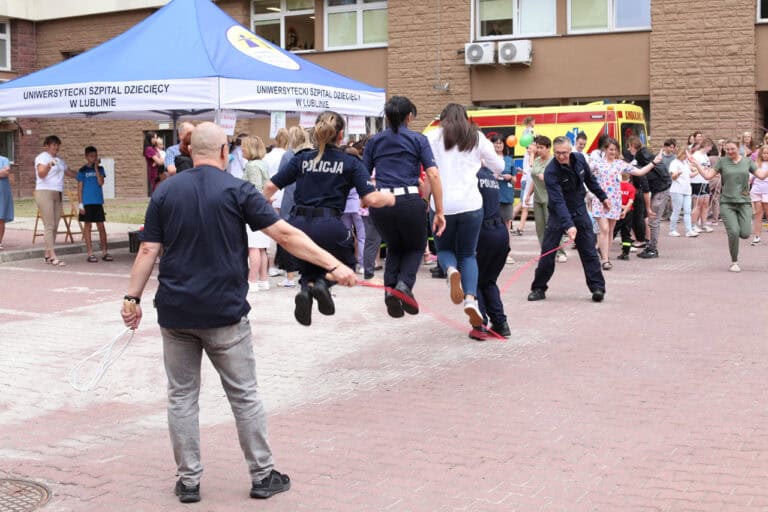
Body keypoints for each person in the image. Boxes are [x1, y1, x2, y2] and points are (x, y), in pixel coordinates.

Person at [121, 122, 359, 504]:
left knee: (181, 397)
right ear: (222, 152)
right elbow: (285, 235)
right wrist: (334, 265)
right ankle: (263, 476)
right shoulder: (237, 189)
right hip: (225, 313)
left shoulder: (165, 191)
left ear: (189, 149)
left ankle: (189, 482)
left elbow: (148, 250)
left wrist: (131, 298)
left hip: (176, 313)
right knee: (244, 396)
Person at [264, 111, 395, 325]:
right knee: (346, 265)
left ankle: (306, 290)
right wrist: (390, 199)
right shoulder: (349, 162)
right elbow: (371, 197)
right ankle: (324, 285)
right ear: (341, 135)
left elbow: (271, 186)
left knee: (309, 266)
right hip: (328, 225)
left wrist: (261, 209)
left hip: (298, 225)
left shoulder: (302, 158)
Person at [363, 96, 444, 317]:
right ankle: (404, 286)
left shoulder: (374, 141)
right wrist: (439, 209)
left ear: (387, 117)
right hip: (408, 199)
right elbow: (433, 174)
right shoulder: (418, 139)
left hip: (382, 201)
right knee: (416, 247)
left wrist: (367, 198)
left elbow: (362, 175)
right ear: (410, 116)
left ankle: (390, 290)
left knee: (394, 245)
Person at [426, 103, 504, 327]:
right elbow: (498, 166)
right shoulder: (476, 137)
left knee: (444, 249)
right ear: (466, 117)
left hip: (442, 205)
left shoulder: (432, 136)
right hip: (471, 205)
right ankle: (470, 299)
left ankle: (450, 270)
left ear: (442, 118)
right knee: (469, 254)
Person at [527, 136, 610, 302]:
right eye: (557, 153)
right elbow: (558, 202)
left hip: (579, 210)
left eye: (564, 153)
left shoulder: (579, 159)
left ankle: (597, 288)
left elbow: (590, 180)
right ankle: (538, 288)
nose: (561, 156)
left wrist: (603, 197)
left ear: (570, 150)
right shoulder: (551, 171)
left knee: (589, 252)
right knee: (547, 253)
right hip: (558, 215)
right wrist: (569, 225)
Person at [689, 139, 768, 272]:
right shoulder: (722, 162)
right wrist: (697, 164)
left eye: (732, 149)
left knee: (745, 233)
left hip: (744, 202)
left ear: (738, 148)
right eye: (727, 149)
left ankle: (738, 230)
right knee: (734, 232)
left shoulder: (747, 161)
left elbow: (760, 175)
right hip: (727, 203)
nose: (730, 151)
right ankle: (734, 261)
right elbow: (708, 176)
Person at [591, 137, 660, 267]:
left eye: (615, 149)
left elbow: (639, 172)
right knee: (604, 229)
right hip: (600, 200)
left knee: (610, 230)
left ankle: (605, 257)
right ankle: (605, 259)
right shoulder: (596, 163)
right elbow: (584, 174)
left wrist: (654, 163)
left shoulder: (620, 164)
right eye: (611, 149)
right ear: (605, 149)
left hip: (615, 201)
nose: (613, 152)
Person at [470, 164, 511, 341]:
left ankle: (480, 325)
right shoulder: (490, 175)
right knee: (489, 281)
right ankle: (501, 323)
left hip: (482, 232)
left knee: (475, 280)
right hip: (500, 232)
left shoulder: (471, 175)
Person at [273, 126, 312, 288]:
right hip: (309, 202)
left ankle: (290, 276)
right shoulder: (313, 154)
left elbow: (280, 179)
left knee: (287, 238)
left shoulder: (288, 156)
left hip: (290, 202)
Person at [625, 136, 670, 259]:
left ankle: (652, 249)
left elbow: (645, 187)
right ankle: (651, 246)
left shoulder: (641, 160)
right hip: (662, 188)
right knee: (652, 221)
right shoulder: (646, 155)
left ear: (633, 147)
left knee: (653, 220)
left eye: (629, 147)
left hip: (661, 190)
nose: (629, 150)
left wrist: (648, 207)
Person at [34, 135, 75, 266]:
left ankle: (47, 254)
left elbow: (70, 173)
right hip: (44, 191)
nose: (56, 147)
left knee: (55, 225)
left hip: (58, 192)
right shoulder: (42, 157)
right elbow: (41, 174)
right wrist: (48, 165)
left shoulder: (59, 160)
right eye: (53, 144)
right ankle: (53, 255)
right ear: (46, 145)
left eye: (57, 144)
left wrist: (85, 173)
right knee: (49, 225)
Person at [241, 136, 272, 291]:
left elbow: (253, 189)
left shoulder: (251, 166)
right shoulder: (262, 164)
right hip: (264, 208)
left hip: (254, 209)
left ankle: (252, 281)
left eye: (243, 147)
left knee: (253, 247)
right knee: (261, 248)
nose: (241, 149)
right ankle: (263, 280)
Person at [77, 146, 111, 263]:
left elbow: (100, 183)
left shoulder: (100, 169)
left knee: (101, 227)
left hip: (97, 202)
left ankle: (105, 252)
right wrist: (80, 204)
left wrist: (96, 168)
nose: (94, 158)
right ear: (86, 157)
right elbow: (80, 189)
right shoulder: (82, 171)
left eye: (95, 156)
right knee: (88, 226)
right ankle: (90, 253)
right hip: (87, 203)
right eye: (91, 156)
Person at [489, 134, 516, 263]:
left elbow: (515, 179)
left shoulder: (509, 160)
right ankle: (492, 252)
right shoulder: (487, 160)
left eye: (500, 143)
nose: (498, 145)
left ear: (504, 145)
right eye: (495, 143)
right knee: (491, 225)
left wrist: (509, 177)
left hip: (506, 194)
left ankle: (506, 252)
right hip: (491, 195)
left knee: (506, 225)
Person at [668, 146, 699, 238]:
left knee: (687, 211)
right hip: (677, 190)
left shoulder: (685, 163)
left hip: (687, 190)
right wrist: (677, 174)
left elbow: (690, 175)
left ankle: (689, 231)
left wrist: (698, 171)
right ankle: (672, 230)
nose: (686, 156)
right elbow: (673, 177)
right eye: (685, 154)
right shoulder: (674, 163)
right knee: (677, 210)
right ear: (680, 154)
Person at [690, 140, 715, 233]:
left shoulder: (705, 156)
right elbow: (691, 167)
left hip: (705, 181)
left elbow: (707, 167)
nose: (711, 149)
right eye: (710, 146)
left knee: (705, 204)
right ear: (706, 145)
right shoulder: (696, 155)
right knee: (697, 204)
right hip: (697, 182)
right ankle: (693, 224)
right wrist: (699, 170)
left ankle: (704, 224)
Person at [614, 171, 636, 260]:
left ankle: (603, 250)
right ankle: (626, 253)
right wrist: (625, 209)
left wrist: (621, 207)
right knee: (626, 233)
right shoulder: (631, 188)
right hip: (628, 213)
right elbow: (631, 201)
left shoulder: (616, 186)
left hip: (616, 211)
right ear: (629, 177)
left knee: (612, 231)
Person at [750, 144, 768, 245]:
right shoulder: (756, 163)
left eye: (767, 153)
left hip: (767, 191)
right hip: (757, 190)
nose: (765, 155)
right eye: (764, 153)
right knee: (758, 214)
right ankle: (757, 236)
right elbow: (751, 175)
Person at [0, 153, 12, 250]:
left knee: (1, 218)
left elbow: (6, 173)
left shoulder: (4, 159)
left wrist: (3, 172)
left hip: (2, 193)